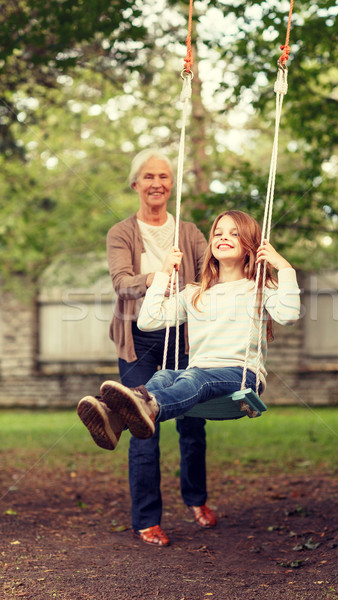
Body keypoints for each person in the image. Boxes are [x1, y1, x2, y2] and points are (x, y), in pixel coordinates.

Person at [79, 209, 301, 511]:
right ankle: (115, 418)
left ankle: (149, 406)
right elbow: (148, 320)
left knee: (190, 376)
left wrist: (283, 266)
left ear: (252, 245)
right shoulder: (195, 293)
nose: (224, 237)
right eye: (219, 233)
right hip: (199, 374)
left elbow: (288, 315)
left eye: (234, 233)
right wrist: (161, 277)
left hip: (241, 376)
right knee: (164, 376)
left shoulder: (260, 288)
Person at [77, 149, 216, 548]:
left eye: (164, 177)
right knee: (143, 427)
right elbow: (123, 283)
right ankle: (146, 520)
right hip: (138, 340)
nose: (157, 183)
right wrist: (160, 275)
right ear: (135, 183)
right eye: (148, 176)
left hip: (185, 337)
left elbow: (212, 272)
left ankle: (196, 500)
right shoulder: (122, 232)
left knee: (192, 424)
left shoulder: (188, 232)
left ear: (171, 185)